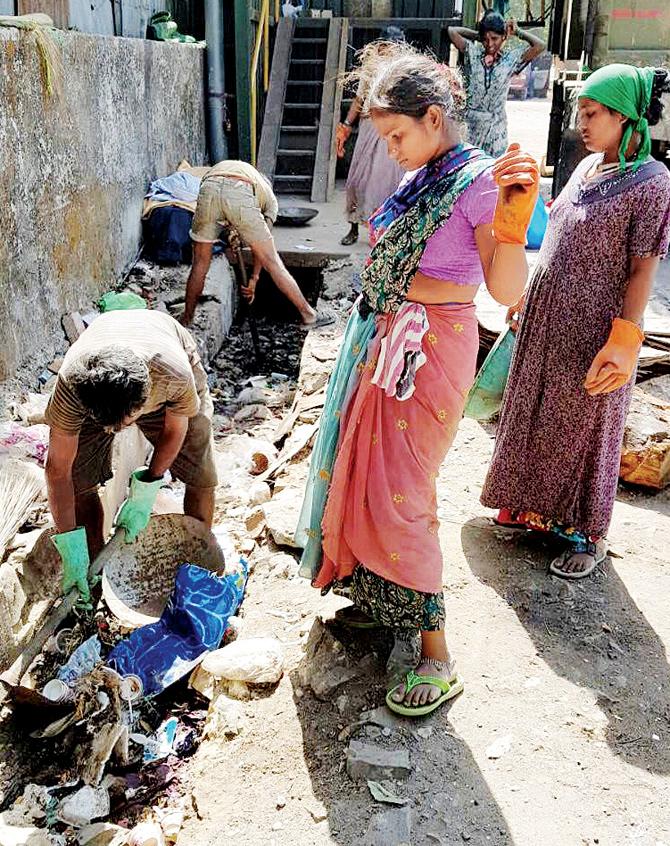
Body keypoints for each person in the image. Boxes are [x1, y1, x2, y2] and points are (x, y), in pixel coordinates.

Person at [296, 41, 538, 716]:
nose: (391, 150)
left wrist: (515, 225)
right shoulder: (422, 174)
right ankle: (380, 599)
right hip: (387, 340)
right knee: (367, 473)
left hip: (430, 352)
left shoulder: (479, 182)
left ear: (435, 118)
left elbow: (503, 285)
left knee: (404, 489)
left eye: (397, 135)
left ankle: (435, 652)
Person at [481, 64, 670, 580]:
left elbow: (642, 265)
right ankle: (535, 511)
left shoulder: (652, 181)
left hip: (595, 328)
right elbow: (559, 232)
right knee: (540, 414)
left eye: (590, 114)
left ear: (623, 115)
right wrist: (525, 297)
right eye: (578, 113)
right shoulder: (588, 167)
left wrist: (627, 339)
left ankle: (588, 534)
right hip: (548, 316)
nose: (580, 123)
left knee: (587, 428)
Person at [45, 310, 218, 604]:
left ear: (144, 401)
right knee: (79, 483)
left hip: (164, 351)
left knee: (200, 474)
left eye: (124, 424)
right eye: (109, 426)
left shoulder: (172, 374)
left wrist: (147, 487)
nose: (117, 432)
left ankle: (196, 570)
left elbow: (175, 431)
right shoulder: (73, 388)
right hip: (101, 383)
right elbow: (57, 471)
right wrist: (70, 547)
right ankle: (93, 580)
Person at [182, 159, 331, 327]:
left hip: (208, 187)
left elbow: (221, 204)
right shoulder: (269, 199)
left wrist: (253, 278)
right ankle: (309, 314)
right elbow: (262, 250)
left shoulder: (238, 170)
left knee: (200, 263)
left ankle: (187, 318)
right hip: (239, 189)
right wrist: (254, 278)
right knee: (273, 261)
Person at [335, 28, 406, 246]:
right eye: (384, 47)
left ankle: (384, 231)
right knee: (358, 178)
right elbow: (359, 100)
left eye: (391, 48)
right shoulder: (370, 67)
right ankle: (353, 228)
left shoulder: (404, 71)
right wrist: (346, 125)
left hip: (391, 129)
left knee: (386, 182)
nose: (386, 52)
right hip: (368, 126)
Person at [448, 11, 545, 156]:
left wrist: (518, 32)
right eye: (486, 39)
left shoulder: (511, 60)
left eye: (495, 38)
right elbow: (452, 31)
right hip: (471, 128)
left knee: (495, 172)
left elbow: (540, 45)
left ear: (504, 37)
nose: (490, 44)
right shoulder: (472, 54)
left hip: (496, 131)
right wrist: (478, 35)